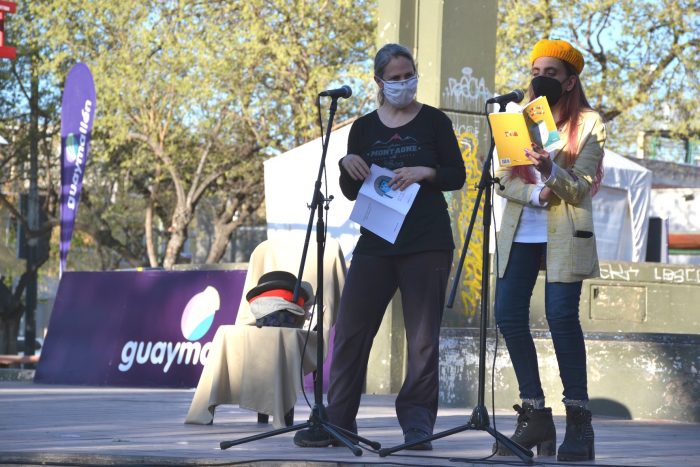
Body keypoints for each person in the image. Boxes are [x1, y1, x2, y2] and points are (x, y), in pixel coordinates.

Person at [293, 43, 466, 450]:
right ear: (379, 82)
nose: (404, 83)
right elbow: (352, 190)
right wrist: (346, 167)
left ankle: (418, 425)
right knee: (350, 331)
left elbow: (456, 175)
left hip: (426, 242)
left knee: (422, 338)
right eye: (396, 78)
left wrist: (426, 171)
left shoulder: (434, 122)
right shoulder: (365, 127)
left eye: (409, 75)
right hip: (375, 241)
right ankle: (339, 422)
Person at [492, 39, 605, 462]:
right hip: (521, 231)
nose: (540, 78)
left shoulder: (590, 123)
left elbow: (579, 187)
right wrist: (537, 193)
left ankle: (580, 420)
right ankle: (535, 414)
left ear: (570, 80)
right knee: (507, 314)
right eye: (535, 70)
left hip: (564, 232)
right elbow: (502, 181)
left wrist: (549, 169)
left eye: (551, 73)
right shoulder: (516, 119)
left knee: (560, 316)